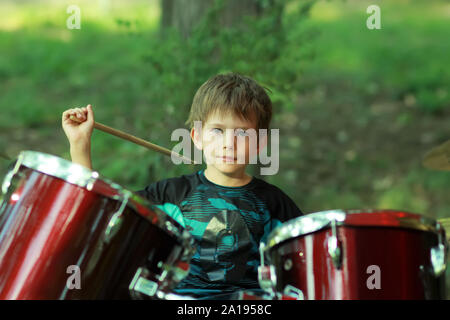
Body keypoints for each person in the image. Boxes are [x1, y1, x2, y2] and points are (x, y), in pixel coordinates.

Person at [62, 73, 303, 299]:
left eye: (242, 133)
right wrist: (80, 146)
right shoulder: (170, 196)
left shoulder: (275, 205)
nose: (229, 143)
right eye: (218, 131)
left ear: (260, 143)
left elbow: (306, 268)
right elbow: (100, 214)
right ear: (196, 137)